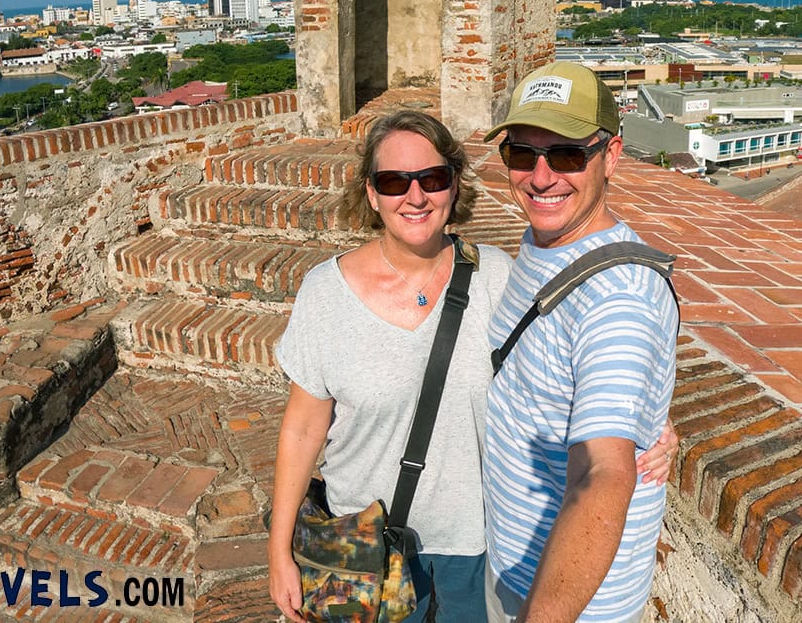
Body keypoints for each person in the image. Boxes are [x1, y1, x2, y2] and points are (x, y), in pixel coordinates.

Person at [269, 109, 675, 623]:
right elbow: (303, 429)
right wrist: (279, 549)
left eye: (432, 179)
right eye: (394, 181)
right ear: (371, 194)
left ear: (454, 187)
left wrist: (653, 417)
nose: (415, 197)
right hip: (364, 549)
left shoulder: (498, 282)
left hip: (474, 551)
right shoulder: (325, 293)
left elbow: (568, 368)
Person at [482, 63, 679, 623]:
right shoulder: (546, 245)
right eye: (523, 154)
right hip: (515, 560)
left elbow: (603, 475)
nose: (542, 178)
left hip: (564, 602)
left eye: (567, 155)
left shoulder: (620, 300)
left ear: (611, 155)